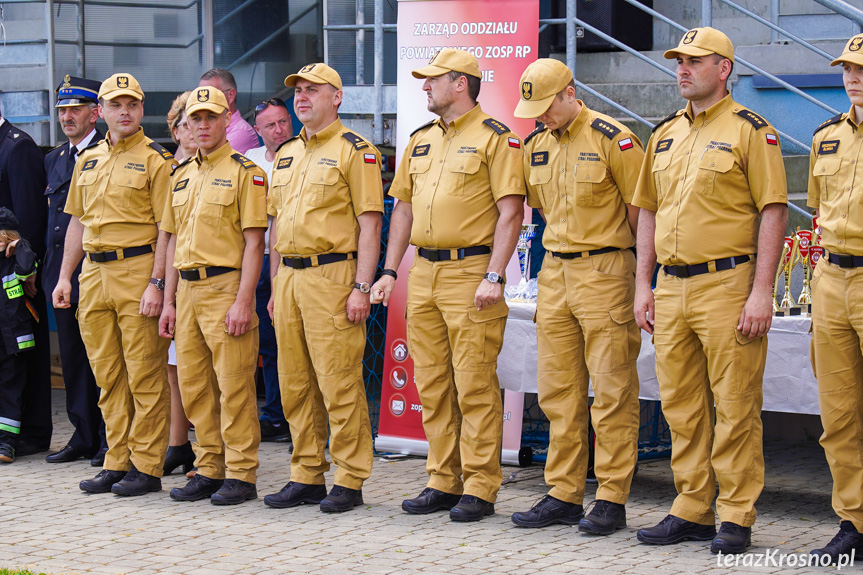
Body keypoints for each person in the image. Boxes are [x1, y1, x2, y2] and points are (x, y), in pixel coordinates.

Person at [631, 28, 787, 554]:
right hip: (672, 287)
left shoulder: (751, 131)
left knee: (736, 405)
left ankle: (736, 516)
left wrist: (761, 290)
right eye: (678, 61)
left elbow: (774, 210)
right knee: (680, 405)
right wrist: (643, 284)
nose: (682, 69)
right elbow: (647, 210)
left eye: (694, 62)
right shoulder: (665, 133)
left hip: (728, 283)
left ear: (723, 68)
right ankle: (693, 507)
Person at [370, 49, 524, 522]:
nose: (424, 87)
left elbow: (511, 211)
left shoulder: (497, 140)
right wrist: (390, 271)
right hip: (424, 273)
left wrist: (494, 275)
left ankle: (480, 485)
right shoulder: (419, 142)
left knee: (474, 382)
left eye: (433, 80)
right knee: (432, 382)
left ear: (461, 83)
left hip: (470, 271)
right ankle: (443, 478)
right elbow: (404, 211)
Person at [509, 58, 642, 534]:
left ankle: (610, 496)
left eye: (546, 106)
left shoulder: (613, 139)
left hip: (605, 267)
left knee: (611, 389)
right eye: (533, 109)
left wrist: (631, 268)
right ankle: (563, 492)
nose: (540, 116)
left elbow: (639, 211)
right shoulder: (535, 145)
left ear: (570, 92)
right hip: (555, 271)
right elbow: (541, 208)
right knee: (559, 390)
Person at [263, 63, 382, 514]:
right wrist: (275, 286)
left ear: (337, 97)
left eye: (313, 89)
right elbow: (276, 227)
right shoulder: (288, 152)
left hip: (333, 275)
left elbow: (370, 226)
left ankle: (349, 479)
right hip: (290, 277)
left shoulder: (356, 151)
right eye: (298, 89)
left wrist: (361, 287)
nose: (302, 97)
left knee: (339, 381)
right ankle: (306, 474)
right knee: (294, 382)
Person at [53, 73, 175, 497]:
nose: (125, 112)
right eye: (116, 105)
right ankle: (116, 459)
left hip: (137, 271)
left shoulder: (157, 160)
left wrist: (158, 282)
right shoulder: (88, 160)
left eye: (132, 105)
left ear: (141, 111)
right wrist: (66, 276)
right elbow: (77, 221)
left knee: (144, 375)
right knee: (108, 376)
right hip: (94, 275)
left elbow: (167, 229)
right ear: (100, 112)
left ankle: (146, 466)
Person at [159, 85, 267, 506]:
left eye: (210, 117)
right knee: (194, 385)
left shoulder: (246, 172)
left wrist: (243, 301)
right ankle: (209, 466)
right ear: (184, 126)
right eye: (195, 119)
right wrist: (167, 301)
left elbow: (254, 243)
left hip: (226, 285)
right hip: (186, 289)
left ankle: (241, 473)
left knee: (234, 383)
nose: (202, 125)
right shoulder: (180, 175)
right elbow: (171, 243)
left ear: (227, 120)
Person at [808, 33, 863, 564]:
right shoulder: (828, 137)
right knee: (839, 412)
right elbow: (820, 214)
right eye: (848, 68)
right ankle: (854, 520)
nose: (854, 76)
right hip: (832, 277)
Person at [42, 75, 108, 467]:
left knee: (102, 359)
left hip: (97, 270)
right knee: (71, 356)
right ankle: (82, 434)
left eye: (75, 109)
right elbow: (50, 220)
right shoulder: (54, 158)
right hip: (61, 272)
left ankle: (107, 438)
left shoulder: (104, 151)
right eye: (63, 110)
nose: (68, 117)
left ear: (94, 113)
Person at [0, 110, 52, 456]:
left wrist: (28, 265)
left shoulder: (17, 147)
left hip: (15, 280)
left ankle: (28, 435)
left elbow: (30, 215)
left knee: (20, 359)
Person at [244, 98, 293, 443]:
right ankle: (274, 415)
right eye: (270, 125)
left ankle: (291, 416)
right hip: (254, 259)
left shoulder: (301, 156)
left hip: (287, 260)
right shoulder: (251, 161)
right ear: (258, 132)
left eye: (283, 122)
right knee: (263, 345)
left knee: (287, 343)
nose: (279, 130)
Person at [161, 91, 198, 477]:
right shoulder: (168, 170)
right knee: (175, 371)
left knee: (206, 373)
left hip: (208, 283)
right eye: (188, 122)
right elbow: (165, 234)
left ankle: (214, 451)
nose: (195, 128)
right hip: (174, 282)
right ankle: (178, 444)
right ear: (176, 129)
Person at [0, 208, 39, 463]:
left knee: (10, 389)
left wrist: (20, 244)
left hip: (11, 341)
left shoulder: (17, 258)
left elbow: (27, 268)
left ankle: (6, 443)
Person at [199, 69, 259, 154]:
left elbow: (208, 163)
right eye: (200, 95)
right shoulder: (204, 126)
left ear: (230, 95)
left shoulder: (241, 132)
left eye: (211, 95)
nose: (203, 101)